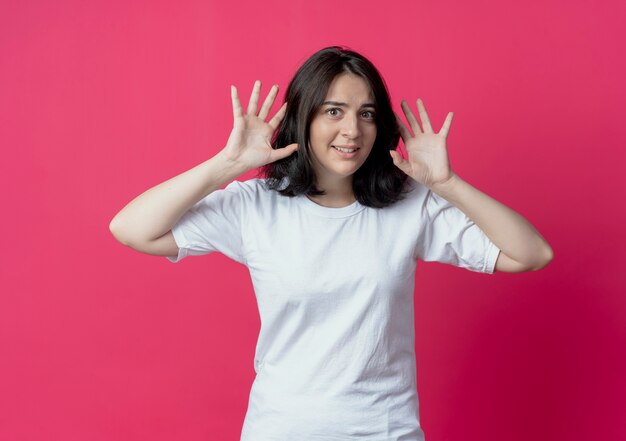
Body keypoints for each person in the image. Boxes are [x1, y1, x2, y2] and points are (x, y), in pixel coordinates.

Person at [109, 46, 553, 441]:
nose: (352, 131)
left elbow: (531, 253)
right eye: (333, 111)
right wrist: (227, 165)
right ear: (304, 117)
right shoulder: (255, 207)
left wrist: (448, 185)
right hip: (281, 429)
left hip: (386, 429)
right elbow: (131, 228)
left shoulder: (409, 205)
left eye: (366, 113)